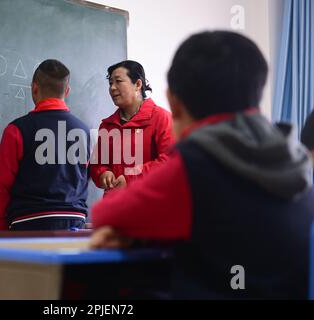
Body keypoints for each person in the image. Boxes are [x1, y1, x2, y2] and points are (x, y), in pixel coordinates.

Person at [90, 31, 314, 299]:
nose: (113, 87)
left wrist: (139, 231)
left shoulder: (194, 163)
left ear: (174, 101)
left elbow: (106, 214)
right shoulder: (295, 156)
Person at [0, 59, 90, 231]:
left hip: (28, 221)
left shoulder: (16, 130)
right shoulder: (84, 131)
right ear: (67, 91)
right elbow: (87, 176)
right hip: (74, 221)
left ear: (34, 87)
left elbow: (1, 184)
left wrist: (0, 228)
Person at [89, 60, 174, 194]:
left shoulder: (161, 118)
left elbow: (169, 162)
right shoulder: (107, 125)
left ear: (138, 84)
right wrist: (103, 173)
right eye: (111, 83)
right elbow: (97, 165)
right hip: (115, 207)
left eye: (118, 81)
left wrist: (130, 179)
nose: (112, 88)